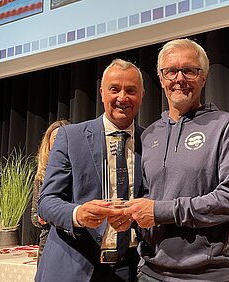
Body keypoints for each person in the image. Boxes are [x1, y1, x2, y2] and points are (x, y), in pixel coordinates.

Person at [124, 38, 229, 281]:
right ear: (161, 79)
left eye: (189, 71)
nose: (179, 79)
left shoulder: (225, 126)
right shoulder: (149, 134)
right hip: (149, 273)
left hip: (204, 275)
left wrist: (162, 211)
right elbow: (147, 200)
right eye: (171, 71)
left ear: (203, 77)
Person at [36, 58, 145, 282]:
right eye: (114, 89)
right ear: (102, 92)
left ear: (142, 94)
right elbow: (46, 202)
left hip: (132, 269)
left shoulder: (152, 140)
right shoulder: (70, 137)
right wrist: (78, 215)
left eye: (131, 90)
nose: (122, 98)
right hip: (73, 268)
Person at [31, 119, 69, 264]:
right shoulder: (41, 176)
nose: (60, 141)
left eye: (63, 137)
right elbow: (34, 217)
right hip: (48, 241)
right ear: (48, 143)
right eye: (55, 138)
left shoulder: (78, 172)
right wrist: (46, 216)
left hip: (74, 242)